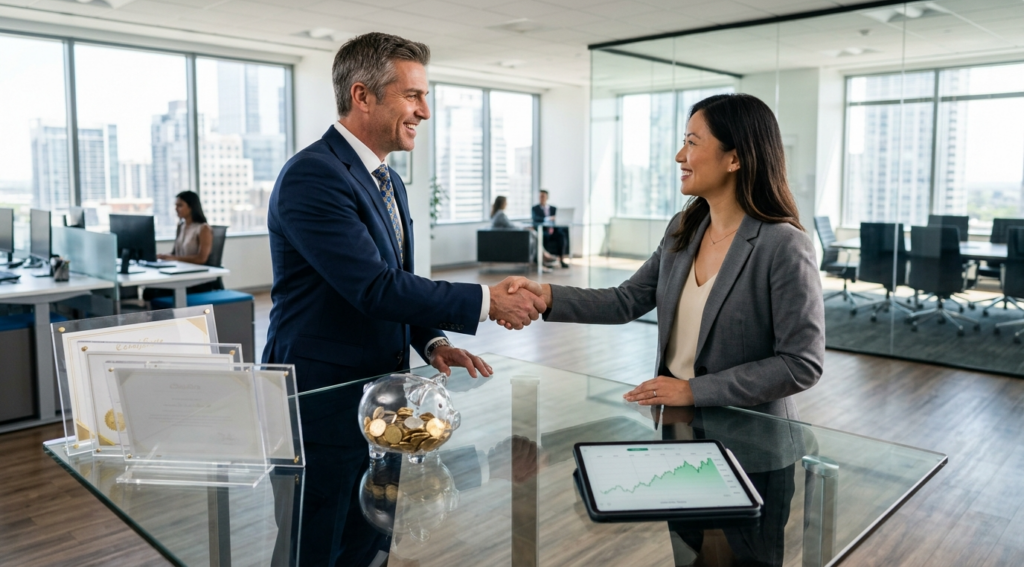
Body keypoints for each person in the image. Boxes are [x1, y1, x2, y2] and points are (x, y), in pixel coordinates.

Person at [502, 94, 825, 419]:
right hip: (678, 423)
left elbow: (801, 363)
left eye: (692, 143)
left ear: (735, 159)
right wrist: (546, 295)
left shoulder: (784, 245)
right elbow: (626, 300)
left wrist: (693, 390)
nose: (679, 155)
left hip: (754, 440)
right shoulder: (683, 228)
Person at [262, 32, 546, 393]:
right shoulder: (313, 175)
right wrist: (489, 301)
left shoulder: (389, 179)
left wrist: (434, 343)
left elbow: (395, 280)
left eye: (424, 97)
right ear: (362, 96)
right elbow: (374, 287)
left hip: (381, 383)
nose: (425, 112)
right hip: (320, 388)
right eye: (412, 96)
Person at [157, 191, 212, 264]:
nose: (176, 209)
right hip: (181, 268)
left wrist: (174, 258)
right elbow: (176, 254)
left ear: (191, 207)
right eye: (175, 205)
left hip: (194, 271)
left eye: (180, 205)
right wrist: (163, 256)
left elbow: (201, 259)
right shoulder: (181, 226)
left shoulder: (203, 228)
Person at [531, 190, 569, 268]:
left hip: (553, 231)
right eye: (540, 196)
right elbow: (536, 219)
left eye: (543, 196)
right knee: (544, 236)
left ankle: (561, 260)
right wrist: (549, 218)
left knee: (561, 235)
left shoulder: (553, 208)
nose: (541, 198)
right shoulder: (535, 208)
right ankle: (545, 261)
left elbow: (558, 219)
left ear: (547, 197)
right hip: (543, 231)